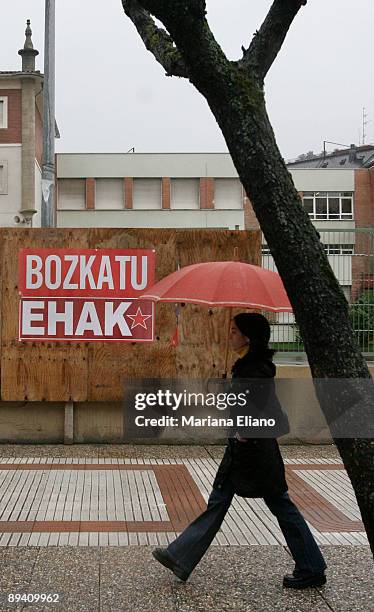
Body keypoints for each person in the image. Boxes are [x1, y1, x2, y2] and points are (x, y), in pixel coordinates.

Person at [152, 313, 327, 589]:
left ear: (248, 336)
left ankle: (312, 567)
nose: (229, 336)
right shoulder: (250, 365)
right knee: (222, 502)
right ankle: (179, 556)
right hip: (246, 450)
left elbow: (255, 404)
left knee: (279, 504)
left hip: (254, 452)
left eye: (234, 331)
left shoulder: (255, 368)